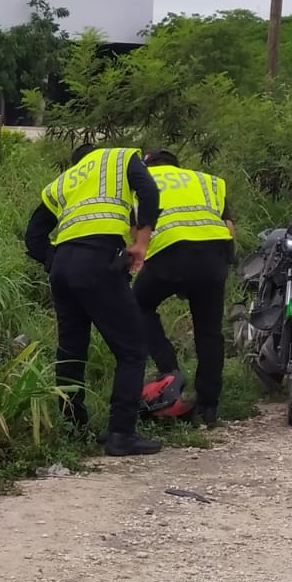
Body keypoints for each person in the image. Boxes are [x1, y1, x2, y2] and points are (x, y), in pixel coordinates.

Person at [24, 143, 164, 456]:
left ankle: (73, 426)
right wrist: (141, 243)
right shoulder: (119, 158)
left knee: (71, 351)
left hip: (62, 267)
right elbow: (150, 193)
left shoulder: (64, 182)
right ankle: (121, 434)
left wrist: (55, 259)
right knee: (132, 349)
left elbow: (33, 237)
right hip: (98, 259)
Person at [132, 149, 235, 428]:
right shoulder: (205, 181)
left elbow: (135, 232)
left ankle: (169, 371)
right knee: (209, 332)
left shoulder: (140, 180)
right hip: (214, 255)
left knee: (138, 304)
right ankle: (209, 406)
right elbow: (229, 227)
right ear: (177, 165)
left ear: (148, 165)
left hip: (170, 254)